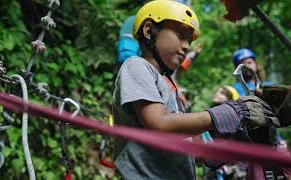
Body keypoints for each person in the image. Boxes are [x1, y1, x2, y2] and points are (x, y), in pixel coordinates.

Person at [112, 1, 278, 179]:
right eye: (180, 35)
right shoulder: (137, 66)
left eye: (189, 41)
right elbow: (159, 124)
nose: (186, 46)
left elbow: (190, 147)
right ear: (149, 31)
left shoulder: (169, 86)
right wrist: (225, 113)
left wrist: (233, 141)